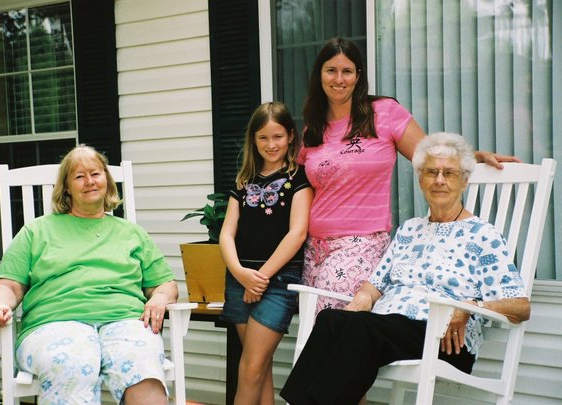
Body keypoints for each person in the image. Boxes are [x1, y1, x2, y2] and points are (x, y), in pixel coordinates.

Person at [279, 132, 531, 405]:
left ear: (464, 181)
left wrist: (471, 306)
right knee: (332, 319)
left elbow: (520, 307)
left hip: (442, 338)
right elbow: (376, 283)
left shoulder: (482, 235)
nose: (439, 180)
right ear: (420, 179)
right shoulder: (410, 229)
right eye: (431, 172)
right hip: (388, 328)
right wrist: (364, 296)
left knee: (361, 330)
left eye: (449, 173)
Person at [298, 37, 521, 313]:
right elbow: (299, 186)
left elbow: (431, 154)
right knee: (313, 323)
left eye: (347, 71)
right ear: (319, 75)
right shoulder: (313, 128)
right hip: (314, 247)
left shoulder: (383, 112)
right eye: (331, 70)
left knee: (331, 318)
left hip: (360, 243)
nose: (339, 79)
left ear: (359, 76)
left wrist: (473, 156)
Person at [0, 145, 178, 405]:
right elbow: (10, 286)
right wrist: (0, 306)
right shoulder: (35, 232)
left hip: (126, 321)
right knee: (70, 365)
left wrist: (160, 298)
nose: (89, 181)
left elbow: (165, 284)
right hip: (54, 323)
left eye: (95, 174)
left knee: (143, 367)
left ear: (106, 180)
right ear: (66, 188)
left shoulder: (132, 234)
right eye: (79, 176)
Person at [219, 102, 314, 404]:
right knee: (259, 368)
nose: (271, 144)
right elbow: (226, 233)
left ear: (290, 136)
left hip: (277, 281)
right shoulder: (244, 182)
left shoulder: (299, 179)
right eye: (263, 137)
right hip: (240, 280)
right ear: (254, 139)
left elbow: (297, 233)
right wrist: (240, 274)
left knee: (250, 369)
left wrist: (259, 279)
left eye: (278, 137)